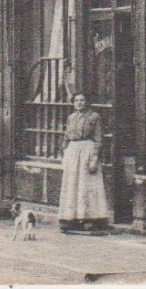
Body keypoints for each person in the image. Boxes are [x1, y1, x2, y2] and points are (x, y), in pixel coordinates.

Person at [58, 92, 112, 233]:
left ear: (86, 102)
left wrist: (94, 158)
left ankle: (89, 219)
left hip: (87, 151)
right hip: (73, 152)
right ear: (73, 103)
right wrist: (64, 152)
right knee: (72, 186)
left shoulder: (94, 117)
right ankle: (71, 218)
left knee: (87, 185)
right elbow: (66, 136)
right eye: (76, 100)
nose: (79, 103)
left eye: (82, 100)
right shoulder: (71, 117)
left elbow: (99, 138)